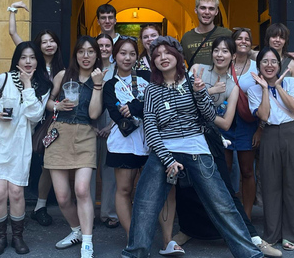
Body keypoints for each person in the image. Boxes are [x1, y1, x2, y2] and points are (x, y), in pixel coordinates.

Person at [122, 36, 263, 258]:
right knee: (144, 203)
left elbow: (208, 117)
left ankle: (250, 253)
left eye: (167, 53)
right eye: (157, 56)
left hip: (196, 147)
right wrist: (168, 160)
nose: (162, 58)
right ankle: (134, 253)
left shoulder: (191, 81)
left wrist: (200, 93)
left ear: (177, 56)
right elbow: (150, 127)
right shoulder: (151, 90)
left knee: (222, 204)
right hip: (163, 151)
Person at [0, 42, 52, 256]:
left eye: (32, 57)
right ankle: (0, 238)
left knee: (16, 192)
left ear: (38, 60)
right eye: (23, 57)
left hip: (19, 144)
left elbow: (34, 116)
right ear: (17, 60)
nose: (28, 61)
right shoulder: (3, 79)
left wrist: (27, 86)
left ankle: (17, 237)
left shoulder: (43, 86)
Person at [103, 37, 178, 252]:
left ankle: (167, 240)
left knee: (164, 189)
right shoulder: (110, 85)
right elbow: (118, 116)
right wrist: (143, 108)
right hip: (124, 143)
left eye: (132, 54)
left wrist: (136, 106)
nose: (127, 58)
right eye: (122, 53)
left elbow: (163, 101)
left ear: (137, 57)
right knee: (125, 189)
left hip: (156, 141)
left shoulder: (149, 77)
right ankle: (133, 239)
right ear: (114, 56)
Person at [241, 47, 294, 251]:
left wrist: (278, 87)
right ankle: (272, 233)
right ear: (258, 65)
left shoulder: (291, 83)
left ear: (280, 66)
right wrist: (264, 89)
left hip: (293, 134)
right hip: (270, 135)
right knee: (270, 185)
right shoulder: (253, 90)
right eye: (264, 62)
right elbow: (263, 115)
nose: (269, 65)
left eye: (273, 62)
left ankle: (292, 234)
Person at [45, 36, 105, 258]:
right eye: (81, 51)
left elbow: (93, 114)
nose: (86, 56)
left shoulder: (100, 79)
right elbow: (49, 102)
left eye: (90, 52)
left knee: (81, 190)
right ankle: (76, 230)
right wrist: (58, 104)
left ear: (97, 54)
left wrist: (97, 84)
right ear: (75, 54)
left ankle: (87, 243)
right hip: (59, 132)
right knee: (61, 197)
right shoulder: (63, 75)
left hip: (85, 134)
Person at [7, 1, 63, 227]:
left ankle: (40, 206)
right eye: (44, 42)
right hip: (22, 120)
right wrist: (13, 9)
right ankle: (4, 208)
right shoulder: (31, 61)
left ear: (57, 45)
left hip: (47, 123)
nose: (48, 45)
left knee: (46, 165)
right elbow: (13, 32)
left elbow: (53, 99)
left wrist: (55, 107)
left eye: (52, 42)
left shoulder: (62, 70)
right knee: (15, 161)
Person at [230, 28, 263, 219]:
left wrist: (260, 128)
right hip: (225, 121)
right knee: (224, 170)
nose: (243, 41)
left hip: (247, 122)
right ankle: (228, 214)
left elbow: (264, 97)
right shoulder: (224, 61)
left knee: (247, 170)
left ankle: (247, 216)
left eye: (247, 39)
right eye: (239, 38)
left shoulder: (257, 66)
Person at [93, 33, 118, 229]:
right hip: (90, 124)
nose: (103, 48)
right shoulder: (87, 66)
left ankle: (109, 212)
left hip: (112, 123)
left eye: (107, 45)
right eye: (99, 45)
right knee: (89, 169)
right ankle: (88, 211)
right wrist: (91, 126)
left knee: (109, 171)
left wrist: (111, 126)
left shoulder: (119, 69)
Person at [180, 0, 232, 69]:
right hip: (195, 80)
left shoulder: (227, 34)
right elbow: (178, 61)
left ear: (216, 12)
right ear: (196, 10)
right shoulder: (187, 38)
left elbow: (240, 56)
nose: (207, 12)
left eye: (211, 9)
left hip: (221, 79)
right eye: (203, 8)